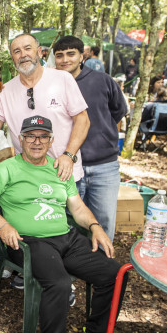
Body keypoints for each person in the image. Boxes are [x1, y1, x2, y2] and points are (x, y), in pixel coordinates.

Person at [0, 116, 128, 333]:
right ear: (20, 139)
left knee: (115, 273)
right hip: (28, 242)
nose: (36, 141)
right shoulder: (8, 168)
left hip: (66, 237)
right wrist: (2, 225)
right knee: (58, 283)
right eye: (30, 136)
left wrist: (94, 226)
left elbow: (76, 207)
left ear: (51, 140)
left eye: (43, 136)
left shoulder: (59, 169)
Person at [0, 33, 90, 184]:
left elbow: (83, 120)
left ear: (39, 52)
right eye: (17, 51)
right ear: (12, 58)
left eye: (28, 48)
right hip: (27, 179)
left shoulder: (63, 79)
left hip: (64, 175)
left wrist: (69, 155)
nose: (23, 55)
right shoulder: (5, 90)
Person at [53, 36, 127, 242]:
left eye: (71, 54)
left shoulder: (102, 80)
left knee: (103, 220)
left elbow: (118, 112)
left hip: (103, 165)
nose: (65, 59)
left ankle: (104, 269)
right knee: (68, 221)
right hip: (67, 166)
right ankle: (69, 270)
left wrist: (106, 138)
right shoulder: (51, 85)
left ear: (82, 56)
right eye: (59, 55)